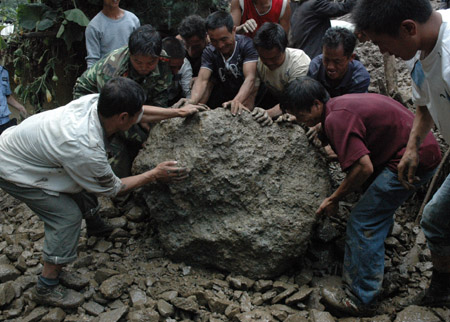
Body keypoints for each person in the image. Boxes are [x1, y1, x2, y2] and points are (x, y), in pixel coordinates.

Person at [0, 77, 196, 308]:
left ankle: (93, 229)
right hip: (13, 167)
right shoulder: (85, 146)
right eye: (135, 116)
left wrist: (178, 113)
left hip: (31, 149)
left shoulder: (98, 103)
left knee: (80, 185)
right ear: (123, 118)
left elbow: (139, 112)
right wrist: (155, 174)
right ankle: (47, 286)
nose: (139, 118)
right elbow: (114, 189)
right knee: (66, 217)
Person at [281, 77, 442, 316]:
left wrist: (334, 198)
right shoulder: (336, 106)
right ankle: (380, 239)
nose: (301, 122)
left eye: (300, 115)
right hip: (415, 147)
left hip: (413, 158)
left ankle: (361, 296)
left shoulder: (336, 117)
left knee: (362, 220)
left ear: (316, 104)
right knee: (373, 205)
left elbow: (363, 168)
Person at [352, 0, 450, 309]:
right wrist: (412, 147)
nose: (382, 52)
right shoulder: (418, 48)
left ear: (408, 28)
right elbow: (424, 102)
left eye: (382, 43)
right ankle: (442, 291)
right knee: (435, 219)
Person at [185, 11, 259, 115]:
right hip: (225, 92)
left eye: (224, 39)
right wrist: (192, 101)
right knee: (208, 81)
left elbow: (250, 78)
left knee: (254, 83)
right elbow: (202, 79)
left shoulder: (247, 45)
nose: (220, 45)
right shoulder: (209, 51)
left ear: (233, 30)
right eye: (214, 40)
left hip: (250, 94)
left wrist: (236, 101)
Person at [250, 22, 310, 126]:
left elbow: (294, 100)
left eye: (274, 58)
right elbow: (252, 92)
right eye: (264, 58)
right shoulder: (259, 62)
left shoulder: (298, 62)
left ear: (284, 49)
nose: (269, 63)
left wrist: (268, 113)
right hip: (279, 102)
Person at [308, 27, 370, 97]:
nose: (330, 67)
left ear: (351, 57)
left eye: (337, 61)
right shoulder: (315, 68)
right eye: (326, 60)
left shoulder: (359, 78)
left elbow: (350, 106)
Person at [290, 0, 356, 59]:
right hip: (314, 55)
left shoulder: (298, 6)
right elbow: (344, 7)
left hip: (304, 54)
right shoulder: (315, 4)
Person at [85, 0, 140, 69]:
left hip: (130, 73)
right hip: (106, 75)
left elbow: (139, 51)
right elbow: (92, 60)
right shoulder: (94, 26)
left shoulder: (133, 20)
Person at [162, 37, 193, 106]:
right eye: (172, 67)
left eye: (179, 67)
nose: (176, 71)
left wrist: (189, 103)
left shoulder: (185, 64)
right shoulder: (153, 65)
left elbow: (188, 92)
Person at [0, 65, 27, 135]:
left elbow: (6, 96)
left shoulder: (4, 72)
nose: (4, 53)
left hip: (4, 122)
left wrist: (20, 107)